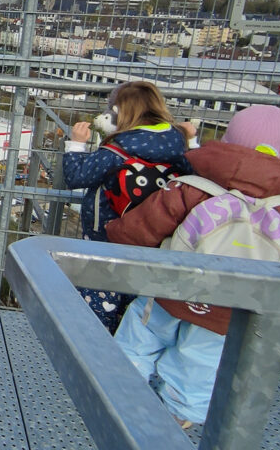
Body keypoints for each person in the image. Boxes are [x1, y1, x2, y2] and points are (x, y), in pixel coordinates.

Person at [106, 105, 280, 428]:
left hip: (170, 290)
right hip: (231, 305)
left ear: (227, 142)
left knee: (141, 336)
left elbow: (141, 228)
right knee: (200, 359)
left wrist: (114, 234)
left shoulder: (194, 187)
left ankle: (119, 392)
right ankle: (180, 412)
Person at [62, 81, 194, 331]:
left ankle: (96, 349)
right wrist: (191, 140)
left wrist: (76, 144)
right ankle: (131, 350)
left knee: (100, 304)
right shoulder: (178, 145)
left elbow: (77, 177)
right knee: (139, 309)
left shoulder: (119, 148)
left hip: (107, 240)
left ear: (119, 112)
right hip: (156, 241)